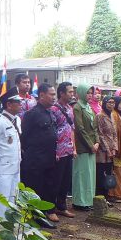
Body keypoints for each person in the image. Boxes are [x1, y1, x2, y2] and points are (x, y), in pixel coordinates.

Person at [20, 83, 59, 225]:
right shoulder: (32, 114)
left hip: (49, 157)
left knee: (49, 185)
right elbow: (23, 137)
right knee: (35, 187)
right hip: (35, 158)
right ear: (42, 95)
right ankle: (34, 216)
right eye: (52, 94)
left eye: (54, 94)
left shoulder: (50, 112)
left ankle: (47, 212)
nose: (54, 97)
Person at [0, 90, 22, 226]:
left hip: (15, 166)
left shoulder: (17, 120)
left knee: (13, 199)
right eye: (17, 102)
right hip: (2, 168)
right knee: (0, 202)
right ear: (9, 104)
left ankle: (10, 227)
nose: (20, 104)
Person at [51, 82, 77, 217]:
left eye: (73, 92)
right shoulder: (54, 109)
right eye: (70, 92)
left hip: (68, 149)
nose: (72, 94)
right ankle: (51, 208)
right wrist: (54, 150)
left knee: (66, 180)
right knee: (55, 180)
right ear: (62, 93)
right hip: (58, 152)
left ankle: (61, 206)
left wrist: (74, 148)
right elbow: (52, 131)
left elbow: (72, 128)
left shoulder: (69, 108)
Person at [72, 83, 99, 211]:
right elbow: (80, 129)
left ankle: (88, 200)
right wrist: (90, 145)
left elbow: (95, 127)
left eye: (91, 93)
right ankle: (79, 202)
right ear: (82, 93)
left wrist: (97, 142)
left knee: (90, 175)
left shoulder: (89, 107)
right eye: (87, 93)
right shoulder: (78, 107)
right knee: (82, 175)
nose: (90, 95)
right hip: (83, 146)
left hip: (93, 146)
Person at [95, 96, 117, 201]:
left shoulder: (112, 115)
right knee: (101, 173)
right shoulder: (100, 116)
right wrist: (107, 149)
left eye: (113, 103)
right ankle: (100, 196)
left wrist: (114, 148)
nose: (112, 105)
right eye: (109, 102)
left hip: (111, 150)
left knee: (109, 172)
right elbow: (100, 134)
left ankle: (107, 194)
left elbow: (114, 134)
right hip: (102, 151)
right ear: (104, 103)